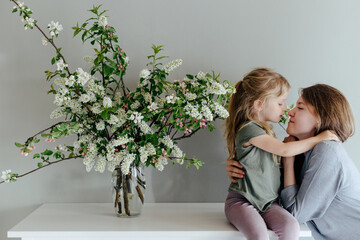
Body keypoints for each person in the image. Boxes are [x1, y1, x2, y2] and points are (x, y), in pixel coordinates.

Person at [226, 84, 360, 240]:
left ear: (320, 118)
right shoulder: (302, 151)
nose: (290, 112)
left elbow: (295, 214)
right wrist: (244, 166)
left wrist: (288, 161)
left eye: (300, 108)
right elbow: (274, 190)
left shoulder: (327, 151)